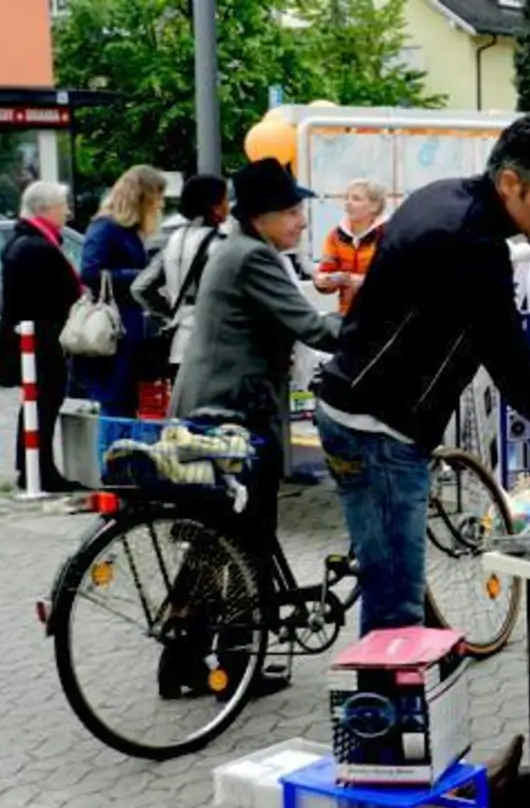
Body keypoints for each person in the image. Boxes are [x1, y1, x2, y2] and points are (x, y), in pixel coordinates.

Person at [314, 112, 530, 635]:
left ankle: (389, 699)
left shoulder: (443, 195)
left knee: (387, 588)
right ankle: (383, 713)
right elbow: (518, 376)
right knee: (396, 619)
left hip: (349, 407)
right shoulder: (472, 244)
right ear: (509, 183)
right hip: (380, 431)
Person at [171, 158, 341, 544]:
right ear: (259, 217)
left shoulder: (240, 248)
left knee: (220, 534)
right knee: (245, 533)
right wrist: (375, 328)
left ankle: (205, 604)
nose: (302, 221)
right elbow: (313, 328)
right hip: (232, 409)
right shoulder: (252, 256)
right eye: (291, 212)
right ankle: (242, 605)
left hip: (213, 401)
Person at [0, 181, 84, 493]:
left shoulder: (26, 242)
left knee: (38, 403)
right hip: (43, 338)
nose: (68, 212)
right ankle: (39, 470)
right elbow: (57, 294)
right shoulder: (36, 247)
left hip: (37, 336)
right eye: (63, 206)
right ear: (44, 209)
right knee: (44, 402)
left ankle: (32, 466)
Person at [74, 164, 167, 418]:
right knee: (115, 406)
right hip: (114, 329)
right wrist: (141, 276)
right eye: (157, 197)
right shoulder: (106, 226)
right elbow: (90, 272)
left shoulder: (127, 229)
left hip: (128, 326)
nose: (160, 204)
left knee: (125, 404)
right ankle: (111, 457)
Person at [131, 174, 229, 381]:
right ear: (215, 207)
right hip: (212, 344)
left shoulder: (173, 240)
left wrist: (170, 312)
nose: (228, 206)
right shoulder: (220, 245)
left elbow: (140, 287)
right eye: (225, 200)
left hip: (178, 343)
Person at [313, 178, 388, 315]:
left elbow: (398, 280)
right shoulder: (335, 236)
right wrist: (323, 282)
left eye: (356, 199)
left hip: (382, 317)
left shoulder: (389, 236)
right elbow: (325, 271)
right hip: (347, 316)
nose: (348, 203)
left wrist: (366, 283)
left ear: (375, 206)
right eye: (346, 198)